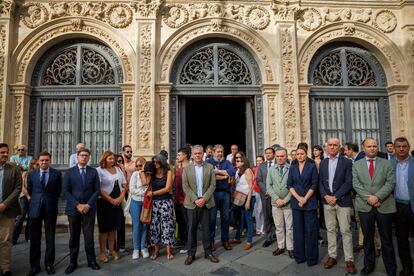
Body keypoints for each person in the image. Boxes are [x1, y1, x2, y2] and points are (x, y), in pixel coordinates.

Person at [353, 137, 396, 276]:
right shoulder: (357, 164)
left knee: (387, 239)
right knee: (368, 239)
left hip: (384, 205)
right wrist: (370, 198)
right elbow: (356, 184)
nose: (372, 148)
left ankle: (391, 268)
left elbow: (390, 183)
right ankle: (368, 265)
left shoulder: (386, 163)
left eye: (374, 146)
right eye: (369, 146)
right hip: (365, 206)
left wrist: (377, 197)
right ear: (363, 148)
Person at [319, 138, 356, 274]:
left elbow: (349, 182)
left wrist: (335, 196)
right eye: (330, 145)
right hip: (327, 202)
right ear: (326, 148)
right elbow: (320, 182)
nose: (332, 147)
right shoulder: (323, 163)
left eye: (335, 145)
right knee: (330, 229)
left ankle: (349, 260)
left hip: (343, 201)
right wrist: (326, 196)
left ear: (339, 147)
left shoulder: (347, 162)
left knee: (346, 231)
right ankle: (332, 256)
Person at [62, 148, 100, 274]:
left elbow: (97, 190)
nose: (84, 157)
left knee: (89, 236)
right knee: (74, 237)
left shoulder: (93, 172)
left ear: (89, 158)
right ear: (77, 157)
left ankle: (92, 261)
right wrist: (77, 205)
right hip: (74, 209)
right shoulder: (69, 172)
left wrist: (88, 204)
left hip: (89, 209)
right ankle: (73, 262)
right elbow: (65, 192)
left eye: (86, 156)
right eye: (82, 155)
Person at [26, 152, 62, 276]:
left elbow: (58, 191)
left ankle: (49, 264)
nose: (44, 162)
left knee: (50, 238)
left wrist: (50, 201)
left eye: (46, 160)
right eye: (42, 160)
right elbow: (29, 190)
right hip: (35, 209)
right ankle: (34, 266)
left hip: (50, 209)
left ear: (50, 161)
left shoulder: (56, 174)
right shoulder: (31, 174)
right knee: (34, 238)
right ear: (38, 161)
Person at [182, 145, 218, 265]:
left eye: (199, 153)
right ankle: (191, 254)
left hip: (206, 203)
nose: (198, 155)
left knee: (207, 229)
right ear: (192, 155)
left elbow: (213, 185)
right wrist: (195, 199)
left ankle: (208, 252)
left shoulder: (209, 167)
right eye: (195, 153)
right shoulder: (187, 169)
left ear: (203, 154)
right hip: (192, 204)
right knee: (191, 229)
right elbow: (185, 186)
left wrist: (204, 198)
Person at [344, 142, 381, 255]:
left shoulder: (362, 158)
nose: (344, 152)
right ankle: (362, 242)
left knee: (371, 223)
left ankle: (377, 246)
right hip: (357, 197)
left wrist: (371, 196)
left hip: (369, 197)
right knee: (360, 220)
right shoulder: (354, 160)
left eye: (345, 150)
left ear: (351, 150)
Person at [287, 145, 319, 266]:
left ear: (306, 154)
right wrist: (299, 198)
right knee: (298, 231)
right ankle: (299, 257)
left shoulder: (311, 166)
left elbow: (314, 184)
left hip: (309, 203)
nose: (299, 156)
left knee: (310, 231)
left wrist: (305, 198)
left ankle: (312, 258)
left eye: (302, 154)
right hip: (296, 203)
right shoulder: (293, 167)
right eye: (297, 154)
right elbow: (289, 185)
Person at [96, 151, 126, 262]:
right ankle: (102, 252)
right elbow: (99, 188)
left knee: (113, 228)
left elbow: (124, 184)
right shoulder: (99, 170)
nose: (112, 161)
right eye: (110, 159)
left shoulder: (118, 169)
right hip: (104, 202)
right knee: (104, 229)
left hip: (117, 202)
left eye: (113, 159)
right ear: (104, 159)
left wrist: (121, 197)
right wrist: (111, 199)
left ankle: (112, 250)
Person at [206, 144, 236, 251]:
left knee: (226, 218)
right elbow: (208, 175)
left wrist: (217, 172)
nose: (220, 154)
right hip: (213, 193)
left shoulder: (226, 162)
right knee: (212, 219)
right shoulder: (208, 162)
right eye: (218, 152)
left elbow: (232, 172)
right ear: (214, 152)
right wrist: (224, 175)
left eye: (221, 152)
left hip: (225, 193)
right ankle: (211, 242)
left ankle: (225, 241)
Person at [392, 137, 414, 276]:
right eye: (398, 146)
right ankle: (407, 267)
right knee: (402, 239)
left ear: (409, 147)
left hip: (412, 206)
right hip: (398, 207)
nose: (401, 149)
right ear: (394, 148)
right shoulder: (389, 164)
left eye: (404, 146)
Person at [266, 147, 293, 258]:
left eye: (282, 156)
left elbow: (294, 186)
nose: (280, 158)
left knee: (290, 227)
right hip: (275, 203)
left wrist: (285, 200)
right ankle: (281, 246)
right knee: (279, 226)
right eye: (278, 156)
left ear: (286, 156)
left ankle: (291, 248)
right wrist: (277, 199)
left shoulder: (292, 168)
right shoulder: (271, 170)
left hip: (289, 203)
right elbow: (269, 186)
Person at [0, 143, 22, 276]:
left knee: (6, 240)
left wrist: (5, 204)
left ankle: (6, 268)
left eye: (6, 152)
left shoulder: (13, 169)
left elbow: (18, 188)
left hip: (7, 210)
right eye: (2, 152)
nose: (5, 154)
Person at [148, 154, 175, 260]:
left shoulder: (168, 172)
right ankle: (156, 251)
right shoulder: (152, 174)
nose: (155, 164)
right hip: (155, 204)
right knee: (155, 226)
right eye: (153, 162)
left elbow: (167, 188)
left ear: (162, 161)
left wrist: (153, 193)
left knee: (167, 225)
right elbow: (146, 183)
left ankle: (168, 251)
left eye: (157, 161)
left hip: (166, 202)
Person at [230, 155, 255, 249]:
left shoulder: (248, 170)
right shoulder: (238, 171)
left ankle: (249, 241)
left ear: (243, 162)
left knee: (248, 219)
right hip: (240, 198)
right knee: (240, 218)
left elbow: (251, 187)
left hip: (248, 198)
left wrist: (248, 202)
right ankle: (237, 237)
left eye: (239, 161)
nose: (236, 162)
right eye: (236, 161)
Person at [12, 159, 38, 245]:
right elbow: (22, 187)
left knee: (31, 218)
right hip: (24, 197)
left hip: (34, 198)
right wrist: (28, 196)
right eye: (36, 164)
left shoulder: (38, 174)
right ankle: (13, 239)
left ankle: (29, 237)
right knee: (21, 217)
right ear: (32, 165)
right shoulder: (25, 174)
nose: (38, 166)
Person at [129, 158, 150, 260]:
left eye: (140, 165)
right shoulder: (134, 175)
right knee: (137, 225)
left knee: (145, 225)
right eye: (136, 166)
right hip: (136, 202)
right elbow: (132, 190)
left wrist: (146, 192)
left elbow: (150, 188)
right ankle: (136, 249)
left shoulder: (149, 175)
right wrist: (145, 193)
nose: (138, 168)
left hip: (146, 203)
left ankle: (143, 247)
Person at [256, 147, 276, 247]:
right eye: (266, 153)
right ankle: (269, 237)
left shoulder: (278, 163)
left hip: (277, 195)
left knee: (277, 216)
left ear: (273, 154)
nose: (268, 155)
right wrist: (266, 191)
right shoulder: (262, 166)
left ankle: (278, 235)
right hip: (266, 195)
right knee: (267, 216)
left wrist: (274, 192)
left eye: (269, 153)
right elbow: (259, 180)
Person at [173, 148, 191, 253]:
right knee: (180, 221)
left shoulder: (190, 168)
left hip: (186, 200)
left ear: (185, 155)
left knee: (187, 222)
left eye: (179, 155)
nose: (177, 156)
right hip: (177, 199)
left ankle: (189, 243)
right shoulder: (178, 168)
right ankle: (181, 239)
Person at [114, 154, 128, 253]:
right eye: (118, 161)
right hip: (111, 198)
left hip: (122, 197)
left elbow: (125, 184)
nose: (119, 163)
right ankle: (111, 245)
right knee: (111, 224)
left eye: (121, 161)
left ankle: (121, 244)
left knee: (121, 222)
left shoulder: (122, 171)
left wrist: (123, 170)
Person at [253, 155, 265, 235]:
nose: (258, 162)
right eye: (257, 161)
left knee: (261, 210)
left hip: (262, 191)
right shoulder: (254, 169)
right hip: (255, 191)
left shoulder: (264, 168)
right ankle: (258, 227)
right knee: (257, 210)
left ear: (263, 161)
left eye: (260, 160)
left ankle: (262, 228)